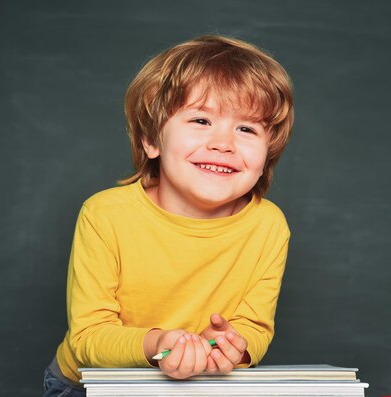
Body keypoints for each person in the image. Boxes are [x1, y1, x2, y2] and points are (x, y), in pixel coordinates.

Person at [42, 34, 294, 397]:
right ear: (151, 141)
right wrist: (159, 345)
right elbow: (88, 338)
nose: (223, 143)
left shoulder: (268, 225)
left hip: (200, 385)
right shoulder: (105, 215)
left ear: (267, 154)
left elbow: (255, 326)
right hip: (89, 385)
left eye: (246, 128)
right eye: (201, 120)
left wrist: (233, 346)